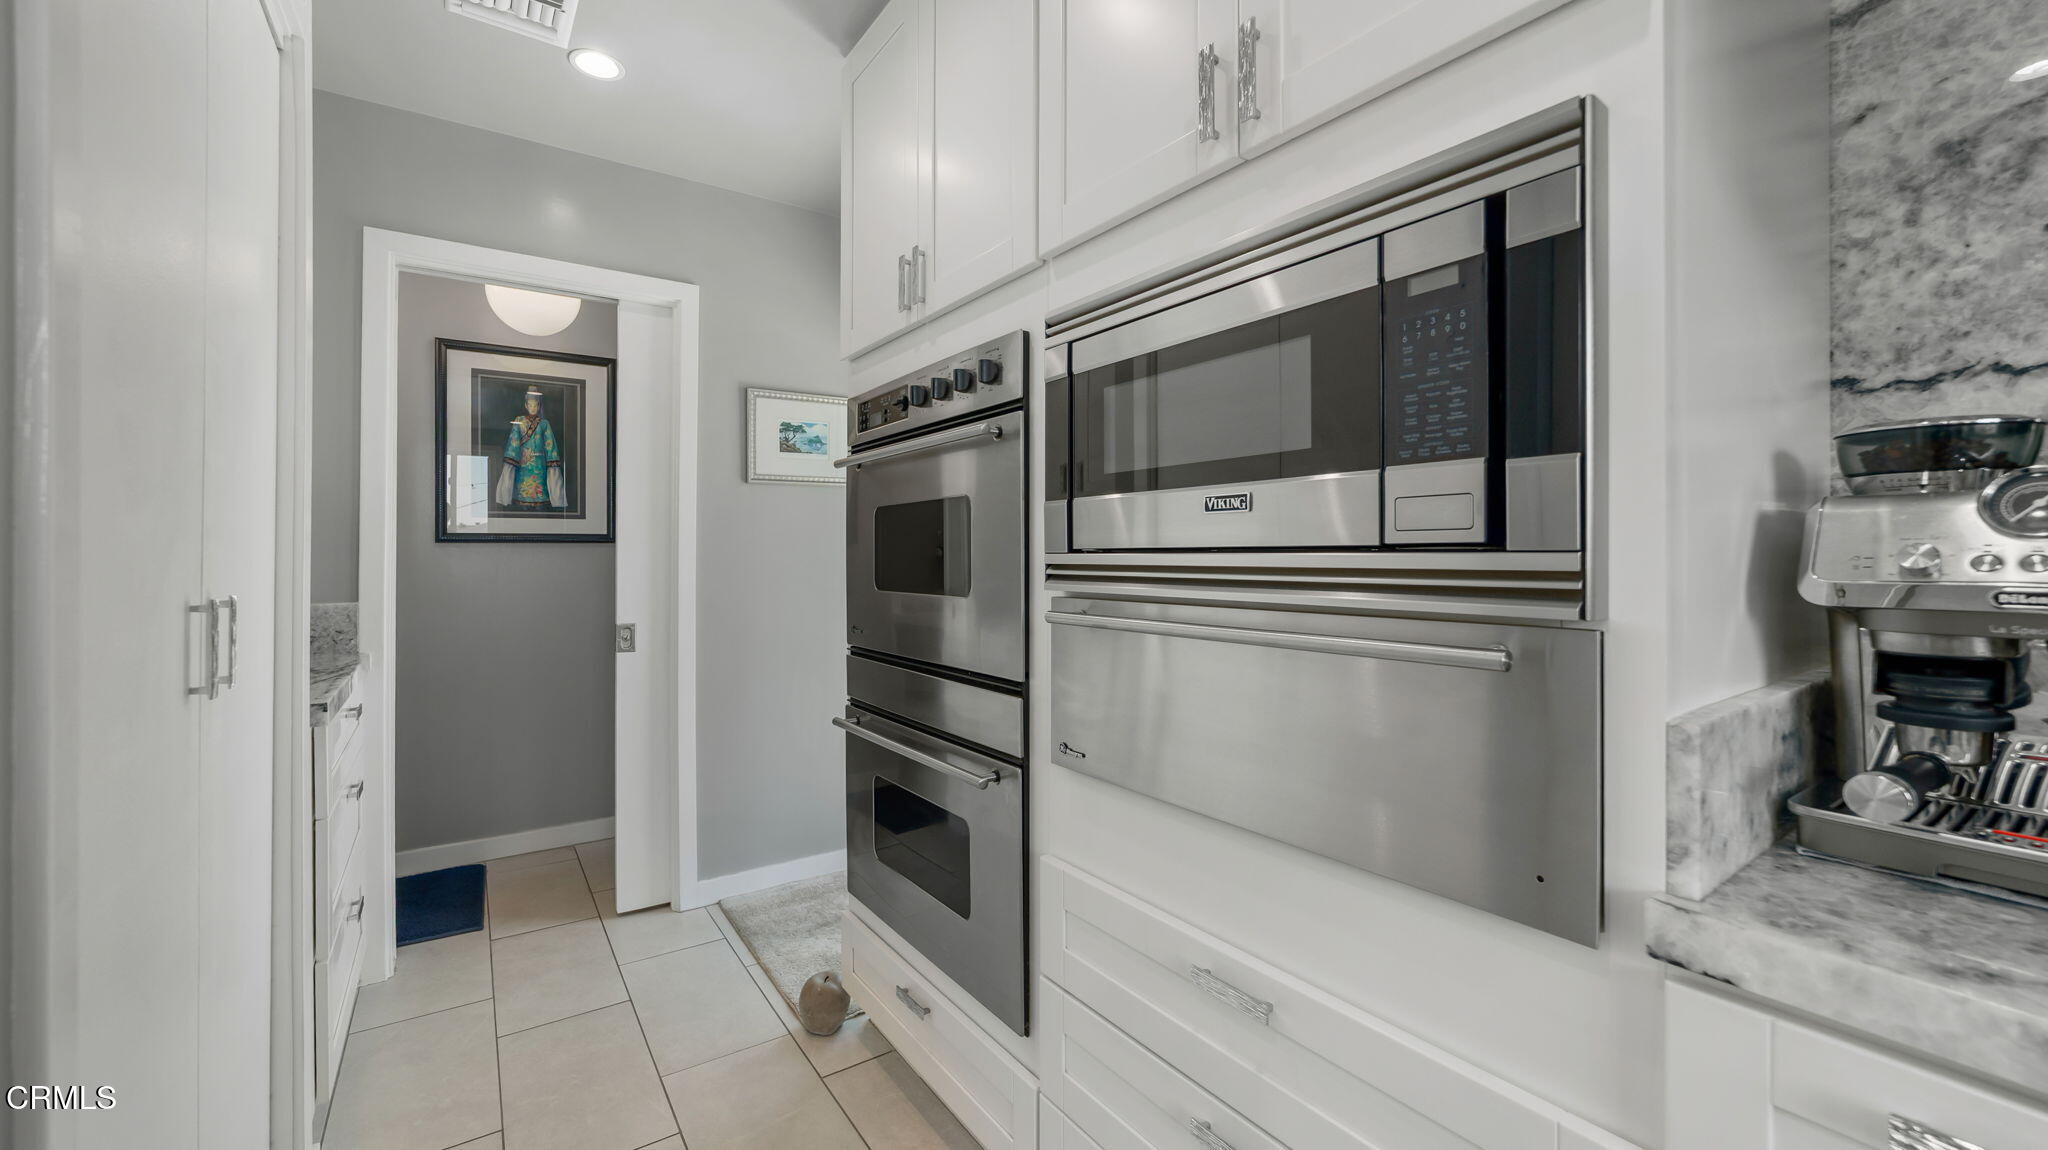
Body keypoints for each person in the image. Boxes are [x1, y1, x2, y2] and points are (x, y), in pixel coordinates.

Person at [495, 386, 568, 510]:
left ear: (539, 406)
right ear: (526, 405)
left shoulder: (544, 423)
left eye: (535, 405)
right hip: (523, 464)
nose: (533, 408)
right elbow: (514, 440)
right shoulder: (519, 420)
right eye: (530, 405)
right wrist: (514, 457)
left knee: (540, 492)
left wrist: (552, 460)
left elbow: (550, 445)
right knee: (522, 492)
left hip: (540, 464)